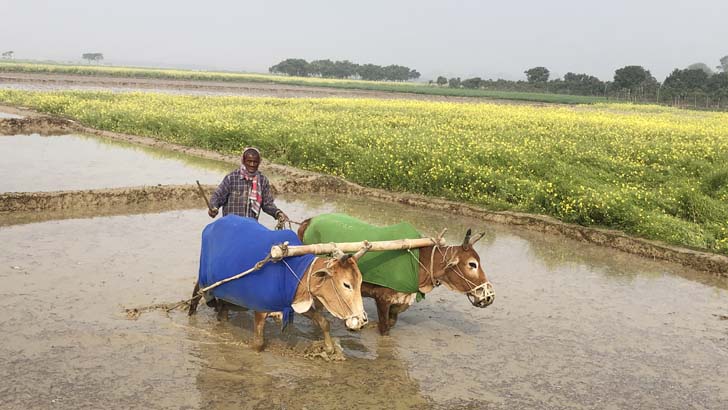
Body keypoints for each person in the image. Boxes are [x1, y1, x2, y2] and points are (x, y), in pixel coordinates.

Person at [208, 147, 288, 224]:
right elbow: (218, 196)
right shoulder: (231, 178)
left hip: (251, 227)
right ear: (243, 161)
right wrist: (214, 208)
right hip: (231, 226)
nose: (252, 164)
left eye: (255, 162)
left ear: (259, 162)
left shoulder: (262, 181)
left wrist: (277, 213)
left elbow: (267, 204)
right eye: (249, 161)